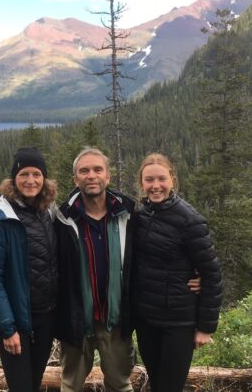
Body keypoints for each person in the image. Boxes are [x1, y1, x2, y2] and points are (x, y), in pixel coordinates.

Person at [55, 147, 201, 392]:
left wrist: (199, 274)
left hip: (116, 319)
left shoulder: (129, 215)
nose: (91, 175)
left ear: (107, 176)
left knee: (120, 383)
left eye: (97, 169)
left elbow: (159, 252)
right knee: (71, 384)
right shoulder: (61, 218)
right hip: (77, 320)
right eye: (84, 171)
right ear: (75, 179)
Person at [133, 153, 223, 392]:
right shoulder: (140, 215)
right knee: (156, 382)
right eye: (149, 180)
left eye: (161, 179)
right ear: (142, 183)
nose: (155, 186)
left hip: (178, 322)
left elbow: (212, 273)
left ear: (172, 179)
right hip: (147, 320)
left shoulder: (189, 220)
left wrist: (205, 327)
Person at [0, 147, 58, 392]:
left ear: (44, 178)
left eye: (36, 174)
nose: (30, 180)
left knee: (33, 383)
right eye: (24, 174)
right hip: (16, 322)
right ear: (14, 178)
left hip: (45, 316)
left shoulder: (47, 211)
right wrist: (7, 328)